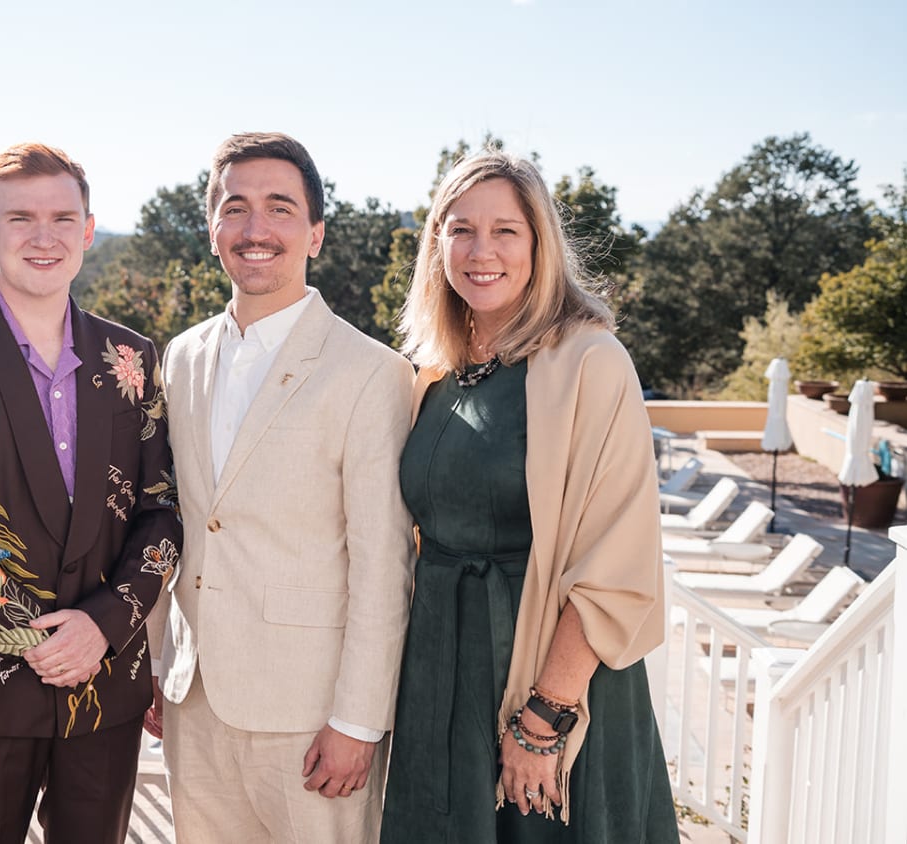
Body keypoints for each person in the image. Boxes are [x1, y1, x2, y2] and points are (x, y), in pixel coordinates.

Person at [0, 143, 181, 844]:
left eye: (61, 217)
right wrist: (34, 637)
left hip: (104, 682)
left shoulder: (131, 358)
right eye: (21, 218)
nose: (43, 237)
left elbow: (162, 512)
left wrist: (101, 627)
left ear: (88, 230)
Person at [379, 149, 679, 842]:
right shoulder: (435, 374)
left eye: (506, 231)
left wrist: (545, 719)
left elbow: (617, 565)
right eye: (460, 229)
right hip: (439, 678)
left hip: (546, 682)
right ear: (437, 244)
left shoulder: (590, 362)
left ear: (539, 244)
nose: (482, 251)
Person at [148, 132, 415, 843]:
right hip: (192, 700)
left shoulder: (371, 373)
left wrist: (357, 720)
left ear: (316, 233)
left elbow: (384, 564)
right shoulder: (180, 357)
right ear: (212, 230)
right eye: (235, 208)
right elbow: (171, 522)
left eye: (279, 208)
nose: (255, 229)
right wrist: (155, 660)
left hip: (311, 716)